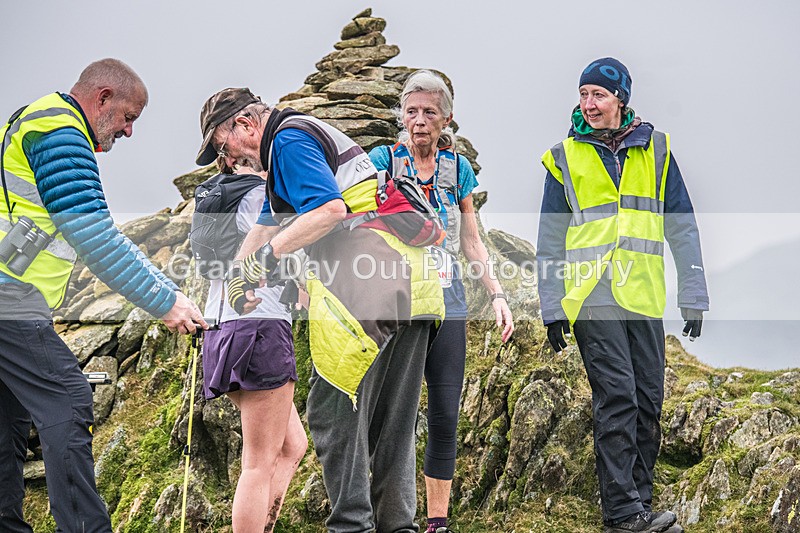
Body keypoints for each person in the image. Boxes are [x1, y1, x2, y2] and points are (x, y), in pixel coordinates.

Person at [195, 87, 444, 533]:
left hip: (370, 283)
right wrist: (238, 278)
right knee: (394, 421)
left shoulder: (287, 141)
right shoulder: (296, 141)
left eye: (221, 144)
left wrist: (267, 259)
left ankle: (351, 527)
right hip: (415, 285)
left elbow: (329, 210)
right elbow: (269, 221)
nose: (226, 157)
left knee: (331, 412)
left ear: (246, 126)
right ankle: (397, 526)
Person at [0, 58, 206, 533]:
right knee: (69, 400)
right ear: (102, 98)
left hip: (12, 295)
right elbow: (93, 234)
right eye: (129, 117)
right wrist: (167, 301)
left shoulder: (31, 119)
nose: (129, 132)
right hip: (11, 299)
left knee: (8, 422)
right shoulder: (61, 131)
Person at [536, 57, 708, 533]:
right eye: (583, 94)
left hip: (644, 293)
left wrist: (693, 292)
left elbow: (682, 227)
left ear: (621, 99)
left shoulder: (657, 150)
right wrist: (552, 307)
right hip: (592, 292)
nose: (588, 104)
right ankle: (621, 513)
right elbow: (549, 240)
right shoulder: (564, 157)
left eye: (599, 95)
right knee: (617, 396)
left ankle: (641, 506)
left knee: (649, 400)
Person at [368, 69, 513, 533]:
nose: (419, 121)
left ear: (448, 118)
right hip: (397, 296)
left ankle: (437, 522)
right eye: (411, 112)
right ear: (401, 116)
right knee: (395, 411)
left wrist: (497, 294)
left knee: (445, 410)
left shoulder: (458, 170)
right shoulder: (381, 160)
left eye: (430, 112)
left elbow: (471, 242)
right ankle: (387, 517)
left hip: (448, 295)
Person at [201, 163, 307, 532]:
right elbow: (285, 250)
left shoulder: (217, 197)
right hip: (261, 327)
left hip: (219, 331)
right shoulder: (260, 197)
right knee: (258, 463)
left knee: (293, 445)